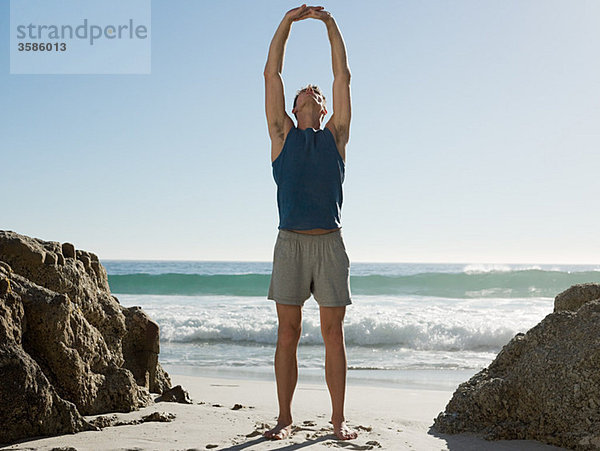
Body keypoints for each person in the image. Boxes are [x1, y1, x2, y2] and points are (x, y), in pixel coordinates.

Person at [263, 4, 357, 441]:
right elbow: (271, 76)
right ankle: (285, 417)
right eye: (305, 92)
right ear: (294, 106)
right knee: (288, 331)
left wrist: (328, 24)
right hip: (290, 244)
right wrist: (286, 24)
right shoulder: (281, 136)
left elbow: (342, 77)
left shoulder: (335, 136)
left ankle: (337, 420)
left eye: (316, 95)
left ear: (322, 109)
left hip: (330, 244)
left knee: (333, 332)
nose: (312, 92)